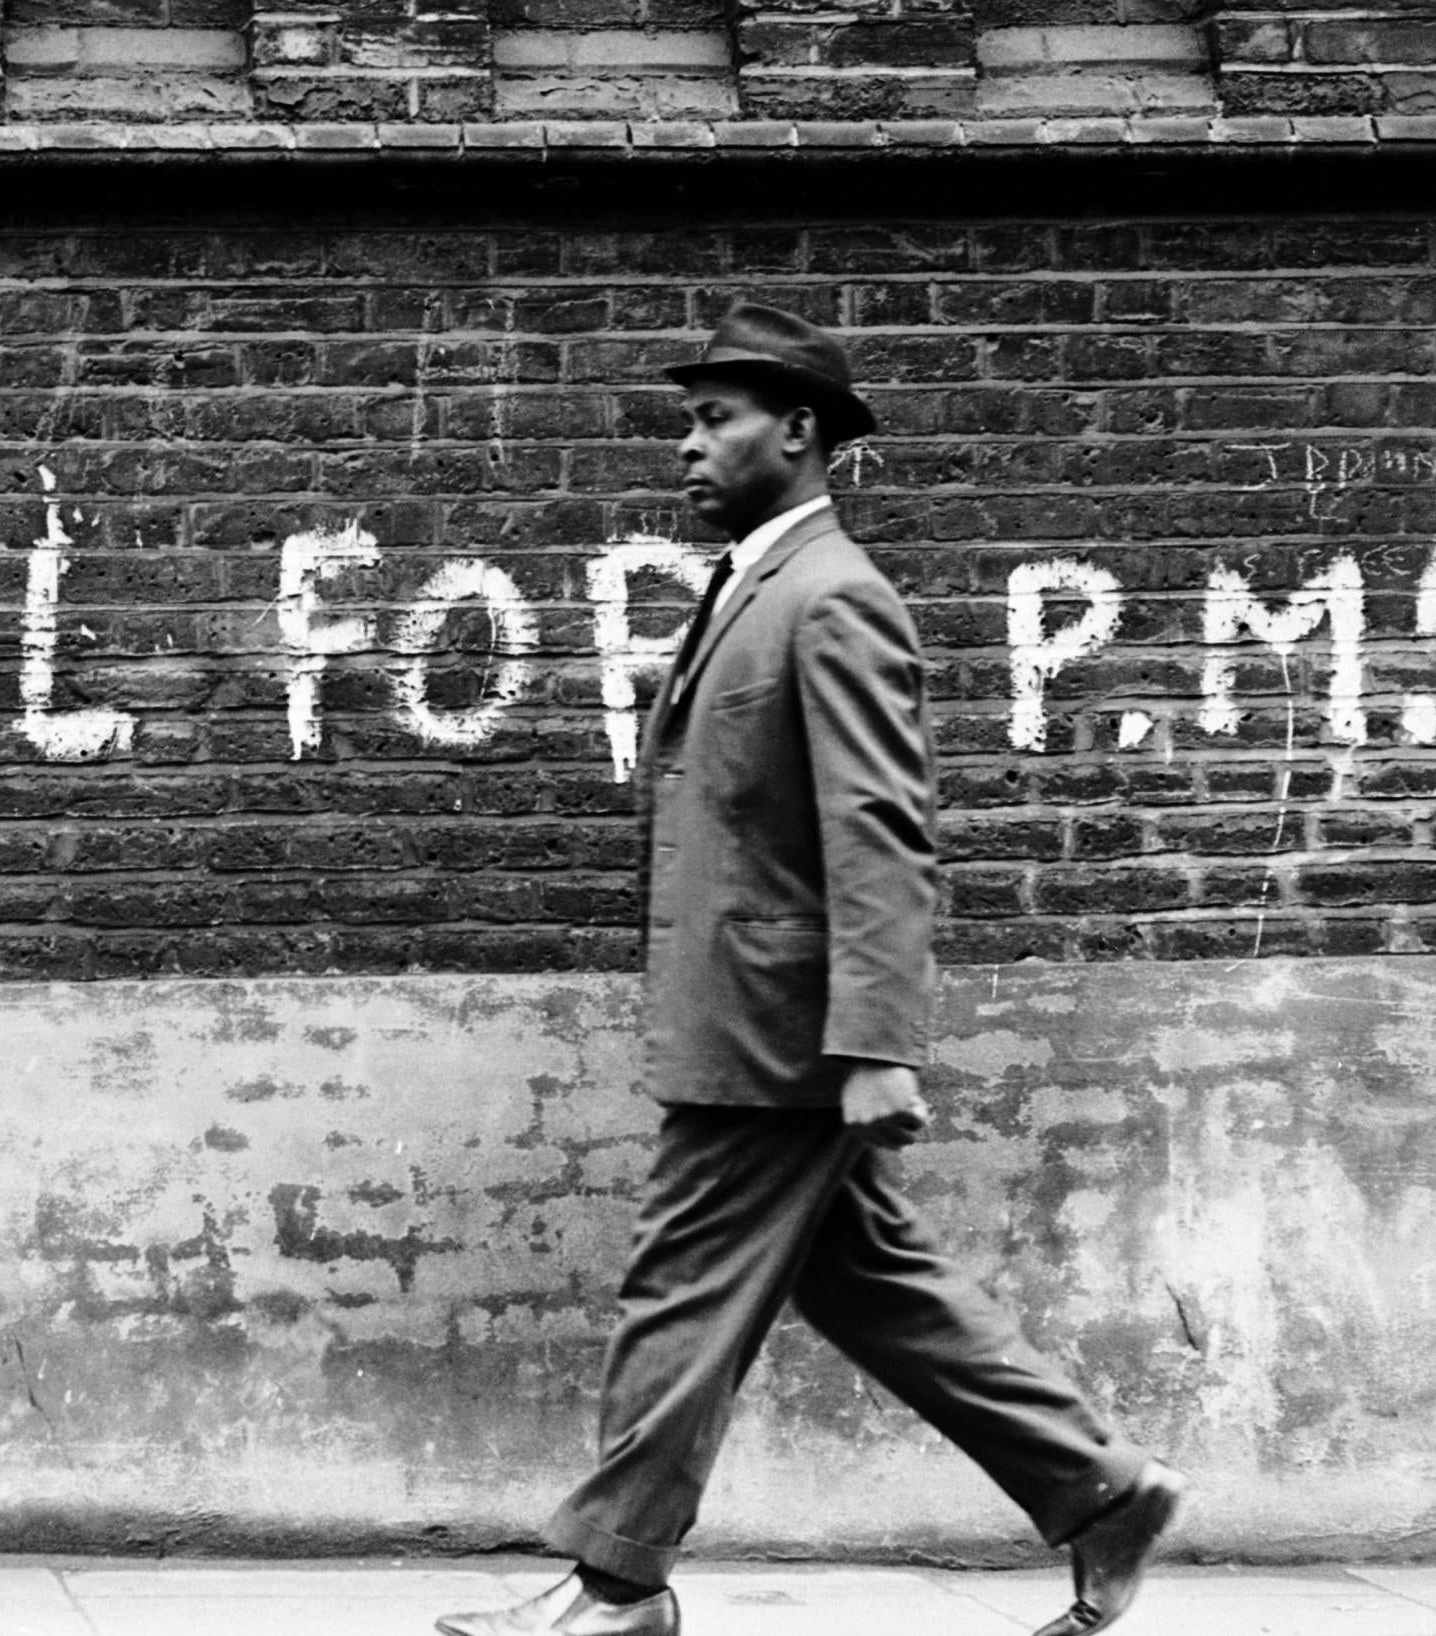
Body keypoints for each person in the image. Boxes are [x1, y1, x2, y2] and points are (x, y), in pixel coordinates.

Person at [437, 303, 1185, 1636]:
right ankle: (1100, 1489)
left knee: (679, 1285)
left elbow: (880, 829)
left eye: (713, 420)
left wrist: (875, 1046)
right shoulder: (756, 586)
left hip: (777, 1037)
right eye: (688, 422)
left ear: (795, 433)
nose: (687, 447)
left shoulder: (833, 597)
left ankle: (616, 1584)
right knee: (869, 1281)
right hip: (749, 1018)